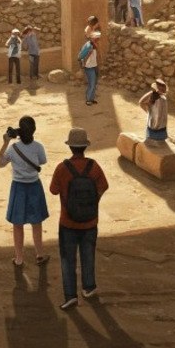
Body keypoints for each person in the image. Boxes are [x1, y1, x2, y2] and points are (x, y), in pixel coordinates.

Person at [50, 127, 109, 308]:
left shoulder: (62, 168)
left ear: (70, 147)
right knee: (88, 254)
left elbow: (53, 190)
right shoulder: (94, 166)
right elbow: (103, 186)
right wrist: (93, 202)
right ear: (85, 147)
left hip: (67, 221)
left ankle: (70, 295)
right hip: (90, 220)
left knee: (68, 258)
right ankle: (88, 287)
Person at [0, 116, 49, 267]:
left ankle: (19, 258)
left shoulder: (13, 148)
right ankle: (39, 254)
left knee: (18, 224)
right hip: (34, 185)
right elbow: (42, 161)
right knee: (37, 222)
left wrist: (5, 142)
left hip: (18, 187)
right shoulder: (38, 146)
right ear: (34, 130)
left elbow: (1, 163)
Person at [80, 17, 101, 106]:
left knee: (94, 82)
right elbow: (87, 54)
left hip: (93, 63)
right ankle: (89, 99)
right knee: (92, 83)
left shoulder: (92, 44)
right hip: (89, 65)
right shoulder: (90, 45)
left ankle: (91, 98)